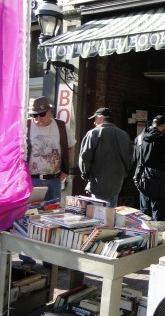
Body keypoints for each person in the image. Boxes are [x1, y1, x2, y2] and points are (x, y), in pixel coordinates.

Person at [24, 96, 77, 269]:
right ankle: (27, 260)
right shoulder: (26, 126)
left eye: (41, 114)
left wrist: (64, 169)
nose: (38, 118)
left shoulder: (60, 126)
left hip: (53, 180)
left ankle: (50, 259)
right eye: (34, 115)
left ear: (50, 111)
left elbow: (70, 146)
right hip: (30, 179)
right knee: (28, 219)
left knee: (52, 219)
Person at [79, 107, 132, 207]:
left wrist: (85, 174)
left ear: (101, 117)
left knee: (98, 215)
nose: (94, 122)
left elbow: (85, 157)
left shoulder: (94, 133)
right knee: (110, 214)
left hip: (98, 182)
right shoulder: (124, 135)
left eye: (95, 119)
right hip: (117, 182)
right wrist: (123, 174)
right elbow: (130, 158)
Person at [133, 115, 165, 220]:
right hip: (157, 176)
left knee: (144, 209)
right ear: (163, 125)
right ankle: (159, 234)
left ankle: (146, 234)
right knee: (159, 209)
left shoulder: (139, 138)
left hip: (141, 176)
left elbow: (135, 158)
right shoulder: (160, 138)